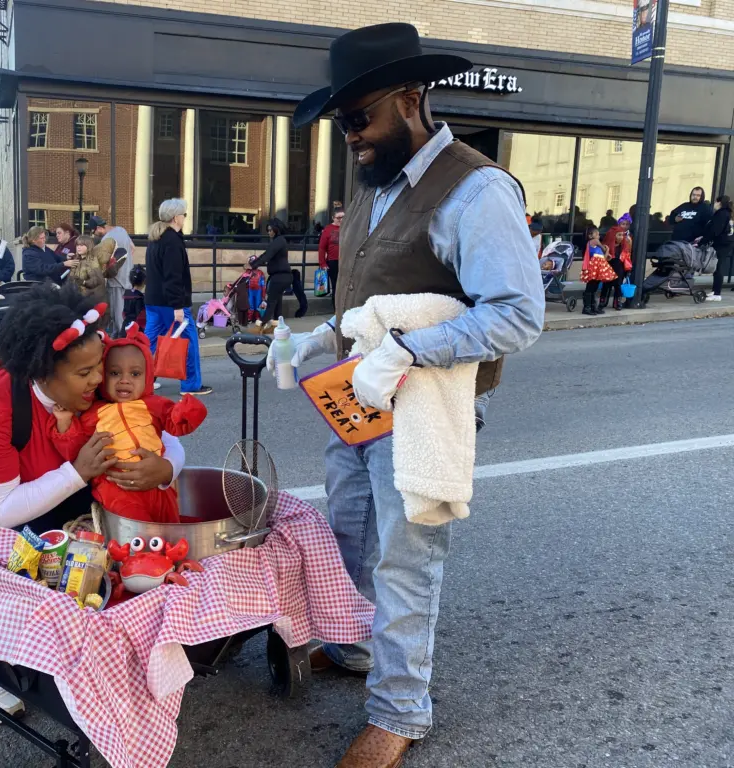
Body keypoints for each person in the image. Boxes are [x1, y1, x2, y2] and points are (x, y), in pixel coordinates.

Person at [278, 24, 544, 767]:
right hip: (356, 398)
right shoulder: (375, 184)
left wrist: (407, 350)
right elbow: (371, 296)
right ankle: (357, 647)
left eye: (358, 118)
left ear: (409, 99)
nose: (351, 137)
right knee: (349, 533)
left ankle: (400, 711)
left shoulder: (477, 189)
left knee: (404, 559)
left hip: (424, 409)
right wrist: (319, 338)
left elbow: (518, 315)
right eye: (342, 125)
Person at [0, 283, 186, 720]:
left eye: (100, 367)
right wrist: (76, 473)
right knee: (24, 565)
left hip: (70, 468)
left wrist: (166, 467)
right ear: (42, 373)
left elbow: (158, 427)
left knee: (88, 558)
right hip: (5, 488)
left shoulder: (88, 374)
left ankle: (77, 652)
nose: (99, 380)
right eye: (86, 373)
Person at [51, 325, 207, 523]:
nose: (124, 380)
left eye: (135, 374)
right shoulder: (93, 413)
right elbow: (75, 448)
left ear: (148, 377)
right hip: (116, 488)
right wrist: (64, 423)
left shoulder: (154, 405)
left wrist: (188, 411)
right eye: (114, 373)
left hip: (157, 487)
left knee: (171, 527)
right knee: (135, 530)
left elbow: (176, 424)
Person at [143, 199, 212, 396]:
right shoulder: (172, 241)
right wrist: (178, 306)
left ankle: (139, 379)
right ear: (176, 218)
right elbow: (173, 277)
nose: (184, 218)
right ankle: (190, 385)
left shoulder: (155, 237)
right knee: (188, 342)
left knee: (148, 343)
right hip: (170, 303)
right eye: (184, 215)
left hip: (153, 300)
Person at [90, 216, 135, 336]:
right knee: (125, 313)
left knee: (117, 315)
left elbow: (102, 262)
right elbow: (132, 248)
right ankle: (119, 336)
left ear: (99, 228)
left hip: (116, 281)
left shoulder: (106, 240)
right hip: (128, 278)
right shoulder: (121, 230)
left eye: (94, 232)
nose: (95, 235)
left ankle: (121, 339)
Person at [248, 218, 293, 332]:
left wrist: (252, 265)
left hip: (280, 277)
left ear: (276, 229)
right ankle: (277, 326)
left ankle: (260, 325)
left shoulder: (279, 241)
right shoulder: (279, 241)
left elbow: (267, 255)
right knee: (277, 303)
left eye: (270, 230)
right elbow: (267, 255)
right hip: (282, 276)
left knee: (271, 302)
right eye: (267, 230)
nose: (268, 232)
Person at [599, 213, 633, 311]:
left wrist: (627, 269)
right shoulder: (607, 245)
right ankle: (603, 301)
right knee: (606, 284)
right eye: (619, 235)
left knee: (618, 285)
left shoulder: (626, 242)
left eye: (622, 235)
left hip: (620, 267)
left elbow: (627, 255)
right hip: (609, 267)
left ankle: (617, 302)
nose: (621, 237)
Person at [580, 226, 616, 315]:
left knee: (594, 287)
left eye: (598, 234)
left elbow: (604, 257)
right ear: (590, 236)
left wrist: (607, 252)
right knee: (591, 286)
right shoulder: (594, 241)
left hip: (598, 268)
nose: (598, 236)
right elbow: (604, 249)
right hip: (594, 268)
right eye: (596, 234)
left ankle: (592, 306)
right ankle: (587, 307)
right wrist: (607, 249)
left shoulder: (596, 245)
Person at [703, 195, 733, 301]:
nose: (714, 204)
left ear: (719, 202)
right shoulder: (728, 213)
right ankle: (715, 290)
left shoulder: (721, 214)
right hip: (726, 243)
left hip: (722, 244)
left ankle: (717, 294)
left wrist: (704, 240)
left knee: (718, 267)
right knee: (717, 267)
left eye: (715, 202)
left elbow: (716, 230)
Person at [319, 206, 344, 309]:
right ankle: (336, 309)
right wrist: (323, 263)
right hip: (333, 262)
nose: (341, 220)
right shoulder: (328, 229)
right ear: (333, 218)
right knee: (336, 286)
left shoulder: (348, 227)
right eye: (338, 218)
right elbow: (322, 248)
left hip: (345, 261)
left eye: (343, 217)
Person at [124, 264, 147, 331]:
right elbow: (140, 317)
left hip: (125, 326)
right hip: (135, 329)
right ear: (144, 281)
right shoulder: (140, 297)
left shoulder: (127, 293)